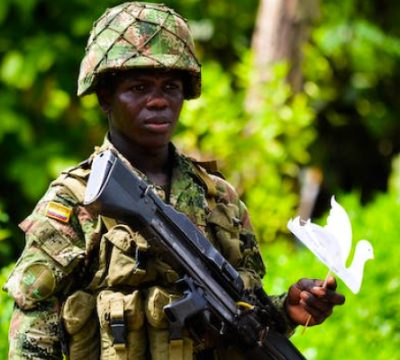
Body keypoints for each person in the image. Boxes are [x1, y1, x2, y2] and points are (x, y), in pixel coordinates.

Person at [4, 2, 345, 359]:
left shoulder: (219, 200)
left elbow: (246, 318)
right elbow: (32, 337)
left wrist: (287, 309)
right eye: (138, 87)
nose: (157, 101)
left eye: (170, 86)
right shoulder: (77, 200)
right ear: (105, 96)